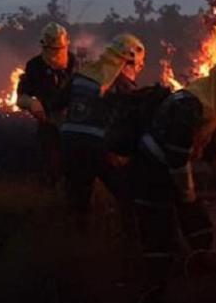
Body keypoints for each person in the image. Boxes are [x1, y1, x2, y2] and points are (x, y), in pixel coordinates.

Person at [130, 55, 216, 289]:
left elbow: (214, 157)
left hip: (169, 172)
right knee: (160, 234)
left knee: (199, 223)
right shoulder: (189, 107)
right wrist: (187, 194)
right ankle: (156, 293)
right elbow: (177, 159)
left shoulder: (209, 107)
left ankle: (203, 276)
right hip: (150, 172)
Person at [59, 32, 145, 222]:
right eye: (138, 64)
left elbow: (57, 104)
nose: (140, 68)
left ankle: (75, 242)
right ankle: (132, 241)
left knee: (78, 204)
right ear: (127, 62)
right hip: (99, 148)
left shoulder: (81, 74)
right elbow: (130, 123)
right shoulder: (123, 85)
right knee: (128, 194)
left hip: (68, 145)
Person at [15, 22, 76, 183]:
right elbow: (21, 97)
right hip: (48, 124)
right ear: (43, 47)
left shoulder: (76, 64)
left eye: (59, 50)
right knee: (51, 166)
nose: (55, 54)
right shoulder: (35, 66)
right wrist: (31, 102)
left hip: (74, 124)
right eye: (51, 50)